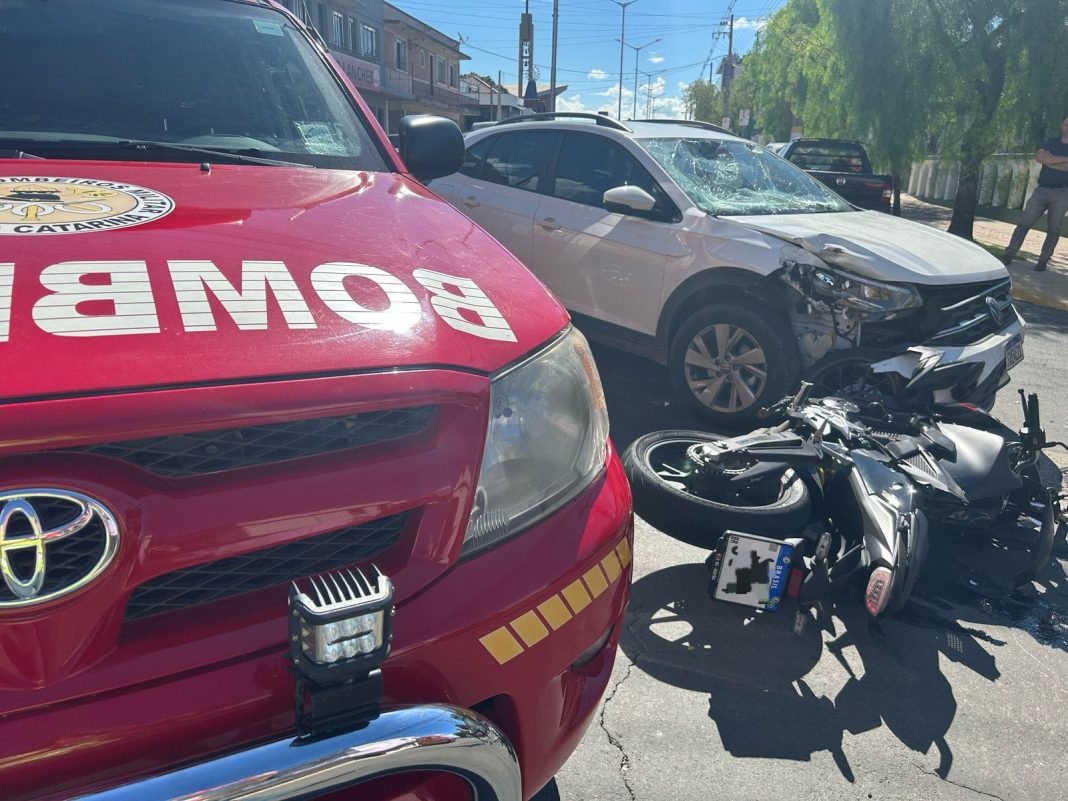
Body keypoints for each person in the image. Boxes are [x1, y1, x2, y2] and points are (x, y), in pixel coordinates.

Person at [1002, 116, 1068, 271]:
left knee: (1053, 228)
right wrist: (1063, 160)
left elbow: (1047, 160)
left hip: (1062, 192)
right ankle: (1009, 254)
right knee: (1024, 222)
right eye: (1066, 124)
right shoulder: (1050, 142)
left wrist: (1050, 160)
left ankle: (1043, 261)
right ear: (1061, 125)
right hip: (1041, 190)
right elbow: (1040, 157)